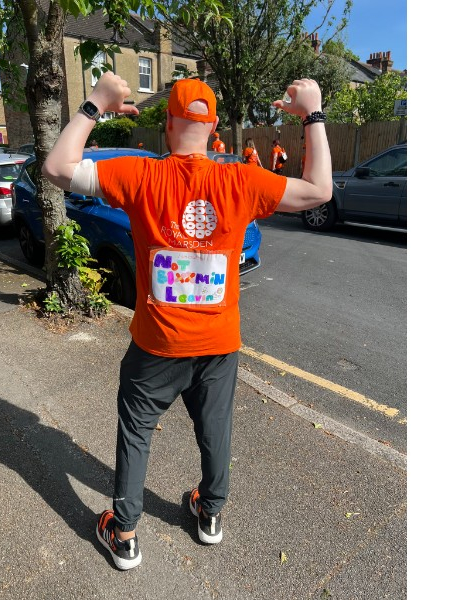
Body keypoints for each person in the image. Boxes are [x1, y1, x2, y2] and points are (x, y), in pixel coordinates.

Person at [42, 72, 331, 571]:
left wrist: (96, 103)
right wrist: (313, 113)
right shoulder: (242, 179)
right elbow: (319, 190)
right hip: (218, 343)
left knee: (137, 432)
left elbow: (55, 167)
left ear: (169, 124)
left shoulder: (140, 174)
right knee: (215, 429)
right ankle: (209, 514)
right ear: (214, 126)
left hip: (156, 345)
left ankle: (125, 535)